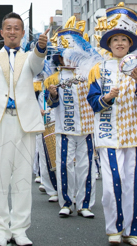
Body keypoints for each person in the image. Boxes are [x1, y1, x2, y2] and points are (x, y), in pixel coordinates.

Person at [0, 12, 48, 246]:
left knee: (23, 178)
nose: (12, 31)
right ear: (2, 32)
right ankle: (1, 230)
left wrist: (41, 48)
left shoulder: (29, 57)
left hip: (24, 122)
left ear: (23, 33)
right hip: (0, 121)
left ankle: (20, 229)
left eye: (17, 28)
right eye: (8, 28)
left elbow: (37, 65)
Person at [87, 5, 137, 246]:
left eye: (123, 39)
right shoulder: (98, 69)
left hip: (136, 135)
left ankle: (135, 231)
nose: (119, 43)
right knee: (111, 185)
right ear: (108, 44)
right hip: (109, 135)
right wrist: (106, 98)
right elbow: (93, 102)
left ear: (130, 43)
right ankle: (114, 228)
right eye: (115, 39)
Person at [44, 17, 97, 219]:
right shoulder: (54, 78)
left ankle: (85, 204)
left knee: (86, 166)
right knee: (65, 165)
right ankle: (66, 202)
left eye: (73, 55)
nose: (69, 60)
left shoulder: (91, 73)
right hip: (64, 130)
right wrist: (54, 95)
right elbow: (51, 104)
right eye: (65, 56)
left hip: (87, 129)